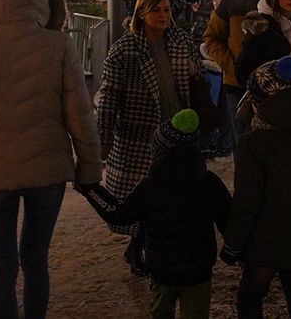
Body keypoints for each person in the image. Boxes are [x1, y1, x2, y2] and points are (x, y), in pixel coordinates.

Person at [0, 0, 102, 319]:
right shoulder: (59, 45)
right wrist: (89, 167)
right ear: (45, 0)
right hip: (47, 169)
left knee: (1, 268)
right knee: (36, 260)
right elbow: (79, 114)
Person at [78, 110, 231, 319]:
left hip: (162, 272)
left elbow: (119, 214)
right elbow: (229, 221)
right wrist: (234, 252)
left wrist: (91, 190)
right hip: (199, 270)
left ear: (159, 148)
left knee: (161, 313)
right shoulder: (210, 183)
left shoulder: (150, 186)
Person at [97, 0, 204, 276]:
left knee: (172, 195)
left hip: (177, 131)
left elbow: (198, 76)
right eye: (156, 10)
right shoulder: (125, 49)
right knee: (143, 196)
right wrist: (103, 141)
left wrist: (196, 71)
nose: (163, 15)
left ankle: (152, 250)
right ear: (141, 13)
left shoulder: (180, 40)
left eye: (166, 9)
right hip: (139, 135)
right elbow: (109, 97)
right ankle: (138, 248)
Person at [221, 57, 291, 319]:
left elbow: (247, 200)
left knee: (250, 299)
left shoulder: (254, 143)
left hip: (263, 244)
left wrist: (233, 245)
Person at [202, 0, 279, 156]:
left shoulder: (278, 3)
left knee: (270, 143)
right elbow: (211, 36)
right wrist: (229, 64)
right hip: (237, 84)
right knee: (242, 142)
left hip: (272, 84)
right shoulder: (232, 2)